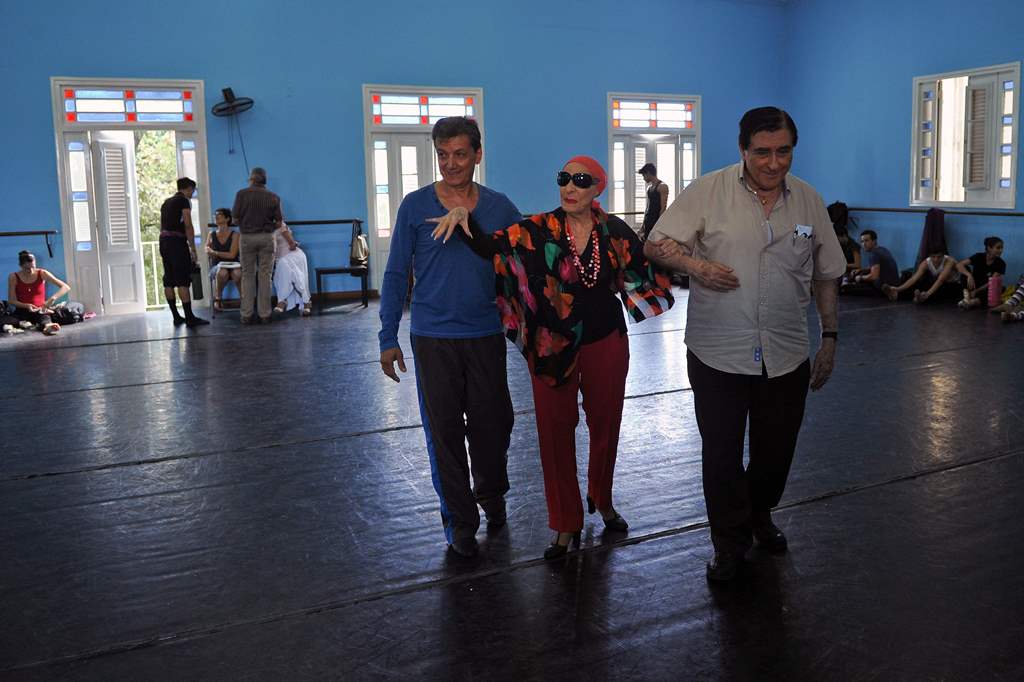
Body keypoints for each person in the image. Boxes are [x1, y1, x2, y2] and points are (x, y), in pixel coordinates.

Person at [431, 155, 674, 560]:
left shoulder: (613, 230)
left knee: (606, 424)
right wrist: (465, 217)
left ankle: (603, 497)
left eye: (580, 180)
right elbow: (490, 246)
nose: (569, 187)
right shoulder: (538, 229)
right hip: (551, 345)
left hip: (606, 341)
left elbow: (642, 267)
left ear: (598, 188)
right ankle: (565, 522)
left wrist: (681, 253)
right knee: (554, 432)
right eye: (563, 179)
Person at [644, 106, 846, 582]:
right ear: (743, 150)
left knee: (776, 451)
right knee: (722, 453)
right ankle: (729, 544)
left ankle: (759, 514)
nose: (773, 163)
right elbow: (656, 243)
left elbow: (827, 274)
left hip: (786, 352)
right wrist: (698, 267)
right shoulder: (708, 191)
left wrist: (831, 336)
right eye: (762, 152)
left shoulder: (809, 202)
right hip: (718, 352)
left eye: (783, 152)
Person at [377, 117, 522, 559]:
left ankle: (492, 491)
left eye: (460, 154)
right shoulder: (414, 205)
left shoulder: (499, 208)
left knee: (492, 425)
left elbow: (526, 258)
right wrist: (388, 335)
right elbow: (397, 272)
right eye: (443, 155)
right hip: (432, 336)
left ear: (478, 154)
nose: (451, 164)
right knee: (443, 432)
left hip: (484, 334)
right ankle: (459, 519)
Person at [232, 167, 283, 324]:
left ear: (252, 179)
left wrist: (245, 224)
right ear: (264, 180)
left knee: (247, 275)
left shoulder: (241, 194)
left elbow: (234, 219)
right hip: (267, 238)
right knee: (265, 276)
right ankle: (265, 314)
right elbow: (279, 222)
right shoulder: (274, 197)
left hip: (247, 237)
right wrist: (268, 230)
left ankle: (246, 314)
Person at [159, 178, 208, 326]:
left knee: (169, 279)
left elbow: (162, 226)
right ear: (187, 188)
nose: (193, 193)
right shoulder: (184, 201)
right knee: (182, 280)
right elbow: (187, 224)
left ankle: (176, 316)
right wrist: (192, 248)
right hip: (176, 243)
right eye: (192, 190)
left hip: (164, 241)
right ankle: (189, 318)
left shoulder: (166, 202)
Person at [7, 251, 71, 335]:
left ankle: (48, 326)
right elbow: (11, 301)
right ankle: (24, 324)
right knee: (7, 321)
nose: (31, 270)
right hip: (22, 311)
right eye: (27, 268)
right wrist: (27, 305)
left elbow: (65, 287)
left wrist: (52, 299)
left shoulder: (42, 273)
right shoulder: (13, 277)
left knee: (44, 317)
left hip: (40, 310)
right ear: (21, 266)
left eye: (33, 267)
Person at [882, 249, 961, 303]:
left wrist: (927, 294)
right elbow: (913, 279)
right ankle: (896, 294)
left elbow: (941, 280)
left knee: (938, 291)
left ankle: (922, 298)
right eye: (933, 257)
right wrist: (898, 289)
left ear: (943, 256)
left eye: (939, 257)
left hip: (954, 285)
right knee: (919, 284)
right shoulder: (926, 263)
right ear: (930, 256)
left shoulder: (949, 261)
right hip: (939, 282)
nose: (936, 259)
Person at [272, 221, 312, 316]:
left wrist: (294, 243)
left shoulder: (281, 225)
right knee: (281, 271)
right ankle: (305, 302)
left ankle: (282, 301)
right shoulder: (263, 227)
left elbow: (292, 245)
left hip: (292, 255)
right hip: (280, 259)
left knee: (289, 270)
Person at [842, 230, 899, 295]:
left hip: (883, 286)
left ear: (874, 241)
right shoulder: (883, 249)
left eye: (866, 241)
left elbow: (874, 276)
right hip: (895, 283)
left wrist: (860, 278)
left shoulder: (874, 254)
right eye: (862, 241)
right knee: (860, 274)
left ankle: (890, 292)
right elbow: (877, 267)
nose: (864, 244)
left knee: (845, 289)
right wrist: (861, 270)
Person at [206, 207, 241, 311]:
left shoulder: (235, 235)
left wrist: (215, 252)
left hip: (234, 264)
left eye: (219, 214)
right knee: (222, 273)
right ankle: (218, 298)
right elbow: (207, 249)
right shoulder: (211, 234)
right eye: (215, 214)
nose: (216, 216)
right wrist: (209, 251)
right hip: (218, 265)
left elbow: (232, 255)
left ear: (227, 219)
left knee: (238, 274)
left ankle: (244, 299)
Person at [956, 236, 1006, 309]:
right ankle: (966, 297)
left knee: (999, 288)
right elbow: (959, 265)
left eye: (1002, 248)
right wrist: (969, 275)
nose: (1001, 250)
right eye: (998, 248)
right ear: (989, 248)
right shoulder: (978, 256)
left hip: (984, 289)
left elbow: (992, 282)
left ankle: (972, 302)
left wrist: (976, 291)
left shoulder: (1001, 263)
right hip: (972, 285)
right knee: (965, 269)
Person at [638, 162, 669, 240]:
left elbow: (663, 208)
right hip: (648, 222)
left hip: (656, 223)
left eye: (643, 175)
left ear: (648, 173)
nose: (643, 178)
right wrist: (642, 226)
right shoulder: (649, 188)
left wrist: (659, 227)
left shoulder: (662, 187)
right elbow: (647, 208)